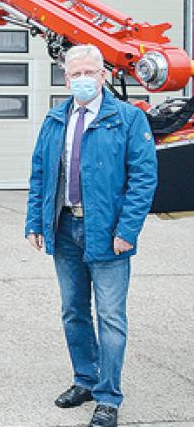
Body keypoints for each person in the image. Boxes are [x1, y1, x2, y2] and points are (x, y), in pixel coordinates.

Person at [25, 44, 157, 427]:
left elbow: (144, 180)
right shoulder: (55, 119)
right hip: (64, 228)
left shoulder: (129, 120)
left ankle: (108, 397)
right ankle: (85, 379)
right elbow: (40, 174)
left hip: (108, 233)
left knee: (111, 317)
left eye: (90, 72)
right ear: (66, 79)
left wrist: (127, 231)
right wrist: (35, 222)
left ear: (103, 76)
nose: (83, 80)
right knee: (73, 311)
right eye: (75, 74)